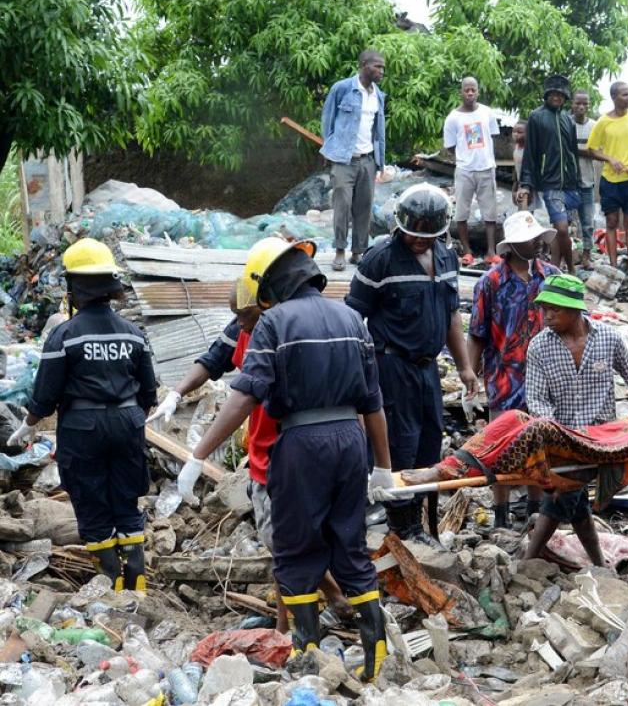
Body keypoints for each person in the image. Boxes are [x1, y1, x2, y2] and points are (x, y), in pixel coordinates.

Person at [180, 237, 397, 679]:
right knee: (351, 546)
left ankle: (307, 655)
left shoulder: (275, 322)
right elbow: (373, 400)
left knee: (296, 550)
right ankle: (377, 660)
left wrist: (198, 454)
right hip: (350, 441)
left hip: (302, 444)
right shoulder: (352, 318)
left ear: (270, 285)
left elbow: (245, 394)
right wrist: (383, 467)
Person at [148, 287, 354, 633]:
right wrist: (176, 393)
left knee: (287, 541)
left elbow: (244, 398)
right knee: (281, 541)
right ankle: (295, 620)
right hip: (268, 448)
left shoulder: (288, 330)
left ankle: (316, 613)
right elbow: (212, 360)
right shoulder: (244, 328)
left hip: (294, 449)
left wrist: (199, 455)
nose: (240, 322)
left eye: (245, 314)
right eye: (237, 314)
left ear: (268, 304)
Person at [9, 239, 156, 592]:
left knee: (91, 501)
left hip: (82, 427)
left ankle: (111, 588)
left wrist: (29, 425)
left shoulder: (65, 335)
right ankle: (137, 587)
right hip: (128, 422)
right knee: (126, 500)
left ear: (74, 287)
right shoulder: (134, 334)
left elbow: (45, 394)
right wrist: (129, 421)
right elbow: (149, 393)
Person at [346, 183, 478, 543]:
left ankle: (418, 521)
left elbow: (452, 315)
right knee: (399, 444)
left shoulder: (447, 258)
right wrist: (357, 375)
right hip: (391, 367)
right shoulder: (380, 259)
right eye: (413, 233)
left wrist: (465, 366)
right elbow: (352, 319)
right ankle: (402, 526)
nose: (419, 240)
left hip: (427, 369)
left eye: (428, 234)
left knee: (429, 442)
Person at [524, 274, 628, 564]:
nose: (547, 316)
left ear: (576, 310)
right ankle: (591, 561)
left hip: (602, 439)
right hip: (562, 439)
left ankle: (529, 561)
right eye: (544, 309)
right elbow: (537, 400)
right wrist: (555, 436)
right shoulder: (539, 346)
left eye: (555, 309)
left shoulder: (609, 338)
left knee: (565, 494)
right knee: (568, 496)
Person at [468, 211, 560, 528]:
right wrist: (470, 377)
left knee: (539, 447)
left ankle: (534, 511)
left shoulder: (551, 277)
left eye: (537, 238)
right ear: (512, 246)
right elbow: (477, 333)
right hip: (504, 378)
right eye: (529, 240)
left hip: (544, 380)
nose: (537, 243)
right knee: (502, 447)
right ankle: (501, 516)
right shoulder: (491, 282)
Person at [320, 49, 386, 272]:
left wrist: (380, 162)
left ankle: (358, 252)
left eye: (383, 67)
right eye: (377, 66)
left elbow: (379, 131)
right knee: (342, 205)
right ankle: (340, 250)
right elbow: (327, 121)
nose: (381, 71)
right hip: (344, 160)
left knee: (364, 207)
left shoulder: (378, 95)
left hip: (368, 160)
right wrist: (330, 150)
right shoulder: (342, 89)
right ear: (364, 65)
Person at [587, 81, 628, 276]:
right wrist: (610, 159)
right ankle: (613, 267)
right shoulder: (603, 122)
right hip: (611, 181)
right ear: (614, 97)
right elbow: (592, 149)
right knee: (611, 223)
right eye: (624, 95)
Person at [518, 75, 582, 273]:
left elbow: (573, 153)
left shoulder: (568, 120)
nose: (557, 97)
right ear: (547, 95)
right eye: (553, 94)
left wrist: (577, 180)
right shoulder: (536, 117)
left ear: (565, 98)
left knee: (559, 231)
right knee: (561, 229)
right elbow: (530, 153)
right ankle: (571, 270)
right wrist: (526, 183)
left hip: (569, 184)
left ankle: (555, 269)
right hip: (549, 183)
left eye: (561, 95)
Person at [443, 77, 500, 262]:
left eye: (473, 89)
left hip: (486, 168)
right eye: (466, 90)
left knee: (490, 213)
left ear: (478, 92)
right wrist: (465, 156)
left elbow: (493, 136)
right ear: (461, 92)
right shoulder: (453, 118)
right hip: (464, 170)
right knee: (461, 212)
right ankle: (467, 251)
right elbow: (450, 146)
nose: (470, 93)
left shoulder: (487, 113)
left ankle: (491, 252)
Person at [572, 90, 597, 269]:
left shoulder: (594, 126)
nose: (581, 107)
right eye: (578, 103)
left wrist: (573, 149)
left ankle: (587, 256)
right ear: (572, 104)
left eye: (585, 104)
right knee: (565, 223)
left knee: (588, 223)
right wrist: (585, 151)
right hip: (567, 182)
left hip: (587, 181)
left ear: (589, 105)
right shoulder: (566, 123)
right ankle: (567, 256)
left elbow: (596, 151)